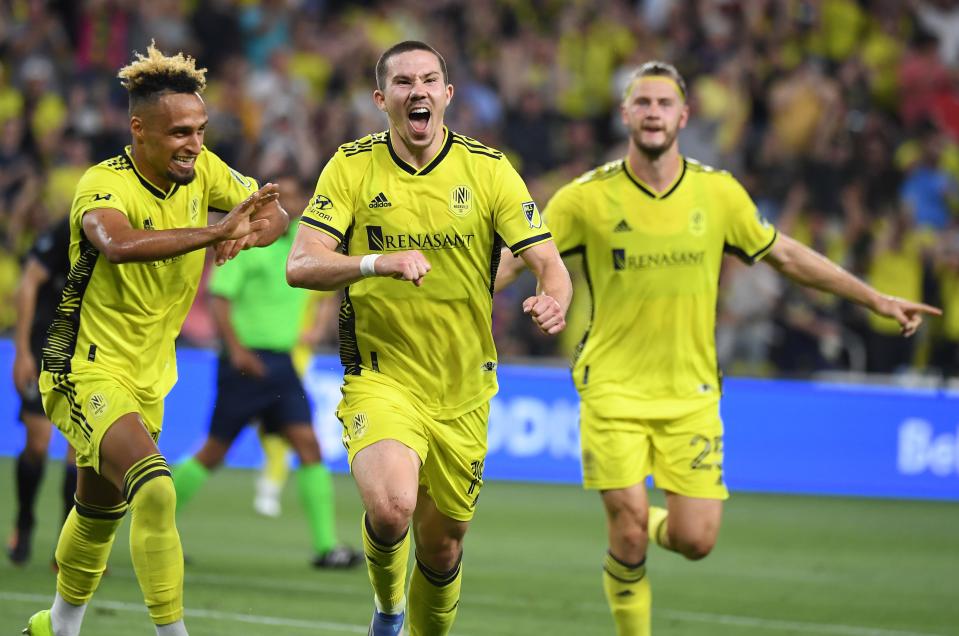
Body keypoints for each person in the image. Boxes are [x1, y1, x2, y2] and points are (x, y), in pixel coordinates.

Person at [496, 61, 941, 636]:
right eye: (643, 103)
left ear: (684, 116)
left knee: (695, 540)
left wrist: (873, 298)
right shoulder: (585, 198)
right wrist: (459, 294)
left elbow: (786, 255)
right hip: (612, 385)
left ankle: (649, 521)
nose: (653, 112)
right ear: (625, 114)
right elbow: (520, 257)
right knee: (627, 529)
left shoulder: (719, 193)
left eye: (663, 104)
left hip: (692, 393)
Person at [286, 40, 572, 636]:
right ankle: (388, 613)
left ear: (446, 94)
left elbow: (549, 261)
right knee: (391, 509)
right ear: (381, 98)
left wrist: (554, 300)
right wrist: (373, 264)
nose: (417, 90)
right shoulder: (352, 166)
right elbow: (302, 264)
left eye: (429, 79)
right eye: (402, 82)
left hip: (465, 387)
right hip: (381, 374)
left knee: (441, 551)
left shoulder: (488, 170)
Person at [24, 43, 287, 636]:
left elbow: (273, 213)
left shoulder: (204, 170)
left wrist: (245, 233)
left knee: (98, 508)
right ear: (138, 130)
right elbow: (116, 244)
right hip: (83, 366)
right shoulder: (102, 185)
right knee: (157, 488)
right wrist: (214, 231)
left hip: (148, 372)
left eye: (199, 130)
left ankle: (57, 627)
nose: (193, 144)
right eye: (178, 134)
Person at [172, 173, 362, 569]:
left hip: (282, 364)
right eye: (283, 197)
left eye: (295, 197)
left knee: (309, 448)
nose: (290, 204)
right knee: (213, 453)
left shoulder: (301, 243)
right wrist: (237, 351)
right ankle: (156, 526)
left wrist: (322, 319)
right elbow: (220, 299)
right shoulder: (249, 246)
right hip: (245, 363)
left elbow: (330, 272)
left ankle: (327, 547)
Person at [9, 216, 77, 567]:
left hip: (90, 351)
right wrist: (21, 351)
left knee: (80, 451)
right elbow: (28, 282)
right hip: (43, 348)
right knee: (37, 443)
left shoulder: (130, 233)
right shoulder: (68, 228)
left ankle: (67, 545)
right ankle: (24, 519)